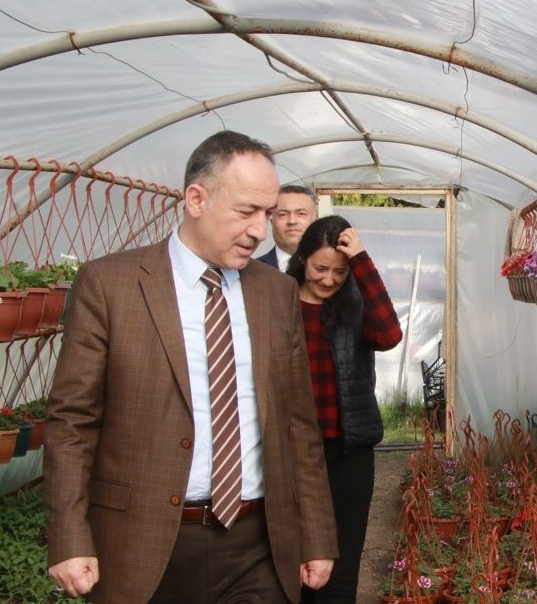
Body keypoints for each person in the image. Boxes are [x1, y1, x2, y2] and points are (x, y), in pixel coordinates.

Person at [45, 130, 338, 603]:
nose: (260, 230)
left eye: (267, 214)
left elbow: (297, 421)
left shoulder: (275, 291)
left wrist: (317, 534)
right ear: (196, 199)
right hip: (142, 543)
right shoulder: (110, 284)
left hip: (257, 543)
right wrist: (68, 535)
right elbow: (71, 421)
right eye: (246, 211)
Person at [287, 215, 402, 604]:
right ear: (302, 259)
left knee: (341, 566)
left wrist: (362, 261)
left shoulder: (354, 306)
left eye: (339, 271)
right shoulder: (277, 300)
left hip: (347, 452)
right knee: (291, 566)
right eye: (320, 268)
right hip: (291, 455)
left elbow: (389, 335)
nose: (328, 280)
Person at [259, 184, 318, 272]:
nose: (292, 221)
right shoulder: (249, 272)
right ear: (271, 220)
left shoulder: (334, 268)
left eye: (301, 213)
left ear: (315, 219)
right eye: (283, 214)